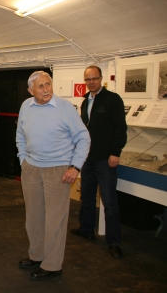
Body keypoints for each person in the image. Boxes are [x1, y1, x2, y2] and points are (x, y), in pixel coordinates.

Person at [16, 71, 90, 280]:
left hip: (58, 170)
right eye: (41, 86)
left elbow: (84, 137)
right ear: (31, 91)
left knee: (55, 220)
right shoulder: (25, 106)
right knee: (33, 217)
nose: (46, 89)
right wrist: (23, 159)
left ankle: (52, 264)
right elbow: (20, 135)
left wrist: (75, 166)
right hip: (31, 168)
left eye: (48, 84)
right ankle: (37, 255)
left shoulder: (65, 108)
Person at [70, 66, 127, 259]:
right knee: (86, 197)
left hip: (105, 160)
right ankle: (86, 230)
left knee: (109, 202)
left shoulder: (113, 100)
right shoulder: (85, 102)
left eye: (95, 78)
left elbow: (120, 128)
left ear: (101, 79)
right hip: (87, 158)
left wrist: (115, 152)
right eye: (88, 79)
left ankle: (114, 242)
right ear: (85, 81)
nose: (91, 82)